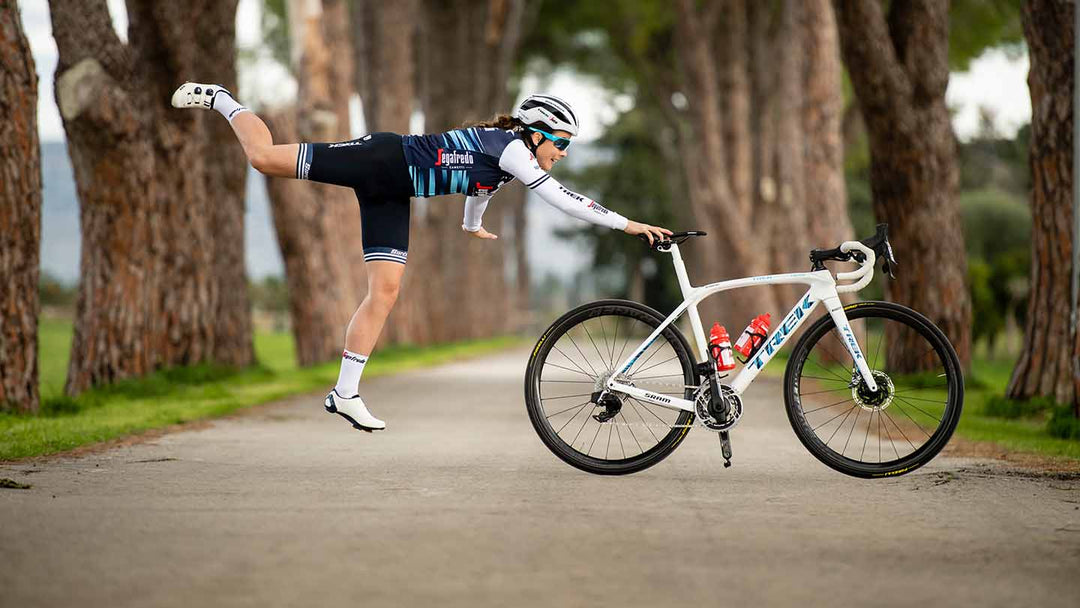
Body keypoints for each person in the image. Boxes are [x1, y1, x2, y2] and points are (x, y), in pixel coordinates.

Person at [171, 83, 672, 432]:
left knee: (384, 294)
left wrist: (472, 227)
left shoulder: (504, 161)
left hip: (393, 195)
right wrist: (629, 224)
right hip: (380, 159)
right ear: (536, 133)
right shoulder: (514, 148)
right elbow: (560, 198)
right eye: (560, 143)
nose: (563, 153)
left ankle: (344, 394)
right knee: (264, 159)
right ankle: (220, 99)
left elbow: (480, 189)